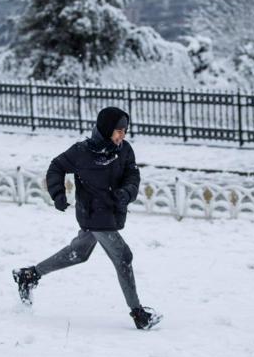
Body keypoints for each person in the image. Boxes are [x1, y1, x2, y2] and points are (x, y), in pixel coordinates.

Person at [12, 106, 161, 330]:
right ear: (105, 129)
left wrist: (126, 193)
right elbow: (56, 167)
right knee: (123, 256)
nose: (122, 135)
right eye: (118, 130)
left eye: (125, 131)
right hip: (93, 213)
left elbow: (133, 174)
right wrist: (58, 194)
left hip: (111, 212)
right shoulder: (82, 152)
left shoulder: (124, 150)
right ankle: (139, 314)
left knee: (79, 253)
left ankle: (30, 275)